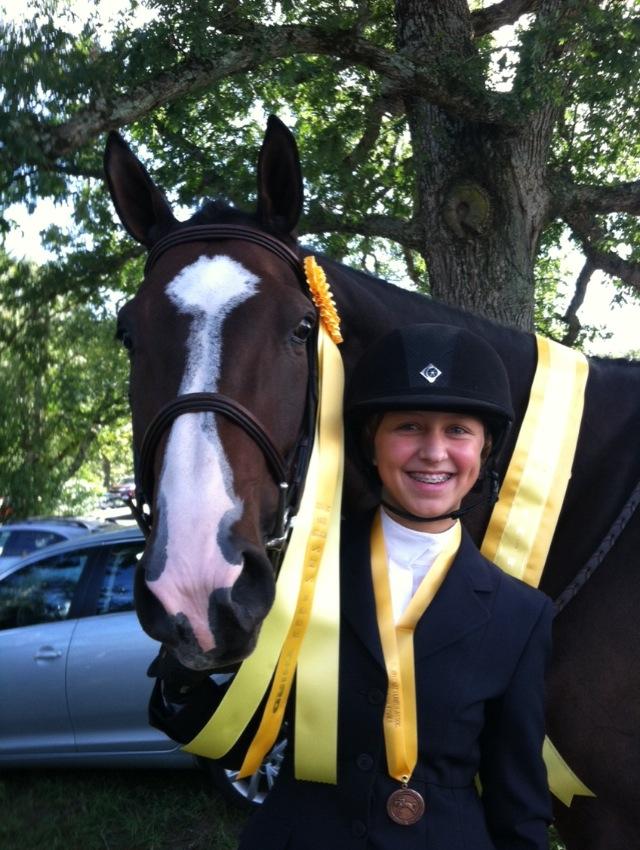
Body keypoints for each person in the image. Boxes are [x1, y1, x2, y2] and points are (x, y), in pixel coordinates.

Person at [148, 323, 554, 850]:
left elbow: (517, 799)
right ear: (371, 441)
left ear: (485, 449)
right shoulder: (298, 569)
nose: (434, 452)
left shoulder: (521, 615)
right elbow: (236, 735)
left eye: (458, 430)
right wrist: (184, 674)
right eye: (409, 427)